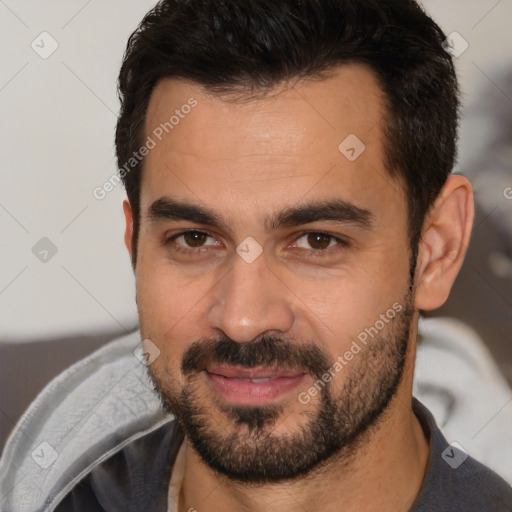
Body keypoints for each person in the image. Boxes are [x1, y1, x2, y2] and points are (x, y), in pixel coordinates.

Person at [2, 0, 512, 511]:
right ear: (135, 243)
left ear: (436, 250)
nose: (242, 319)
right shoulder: (59, 490)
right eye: (195, 239)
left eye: (317, 241)